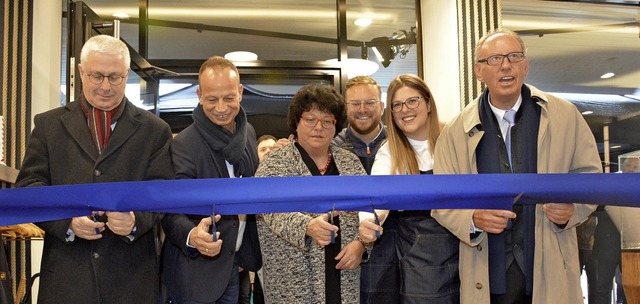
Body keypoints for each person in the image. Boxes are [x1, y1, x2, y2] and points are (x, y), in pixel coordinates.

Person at [431, 29, 602, 304]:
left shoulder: (565, 116)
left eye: (514, 56)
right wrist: (472, 218)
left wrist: (573, 210)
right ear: (478, 71)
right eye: (495, 58)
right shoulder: (455, 131)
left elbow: (591, 178)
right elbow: (440, 199)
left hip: (550, 263)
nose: (506, 65)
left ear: (525, 65)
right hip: (487, 270)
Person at [15, 34, 174, 303]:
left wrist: (136, 219)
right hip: (67, 279)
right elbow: (29, 187)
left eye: (115, 77)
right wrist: (66, 222)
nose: (106, 86)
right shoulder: (48, 125)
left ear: (127, 74)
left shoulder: (155, 130)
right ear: (81, 72)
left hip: (132, 281)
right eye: (96, 76)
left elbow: (161, 191)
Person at [160, 56, 261, 303]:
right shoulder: (184, 144)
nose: (221, 107)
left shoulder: (247, 133)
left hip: (237, 265)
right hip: (197, 274)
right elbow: (169, 210)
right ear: (199, 94)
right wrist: (192, 234)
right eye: (212, 99)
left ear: (240, 92)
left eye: (229, 98)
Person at [255, 82, 367, 303]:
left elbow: (368, 211)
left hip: (343, 276)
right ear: (297, 122)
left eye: (327, 121)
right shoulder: (276, 162)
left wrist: (362, 244)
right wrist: (306, 226)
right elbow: (269, 211)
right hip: (292, 282)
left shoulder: (350, 163)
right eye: (310, 119)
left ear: (336, 126)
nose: (319, 127)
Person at [358, 74, 460, 304]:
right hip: (421, 260)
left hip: (467, 249)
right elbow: (376, 193)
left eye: (412, 101)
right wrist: (368, 222)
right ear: (391, 113)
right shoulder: (389, 152)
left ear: (428, 104)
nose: (405, 109)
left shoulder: (455, 140)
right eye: (397, 105)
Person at [331, 76, 399, 303]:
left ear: (381, 106)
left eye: (370, 103)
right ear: (345, 107)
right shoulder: (332, 148)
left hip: (398, 252)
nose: (362, 110)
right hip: (346, 255)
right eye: (355, 103)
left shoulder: (400, 144)